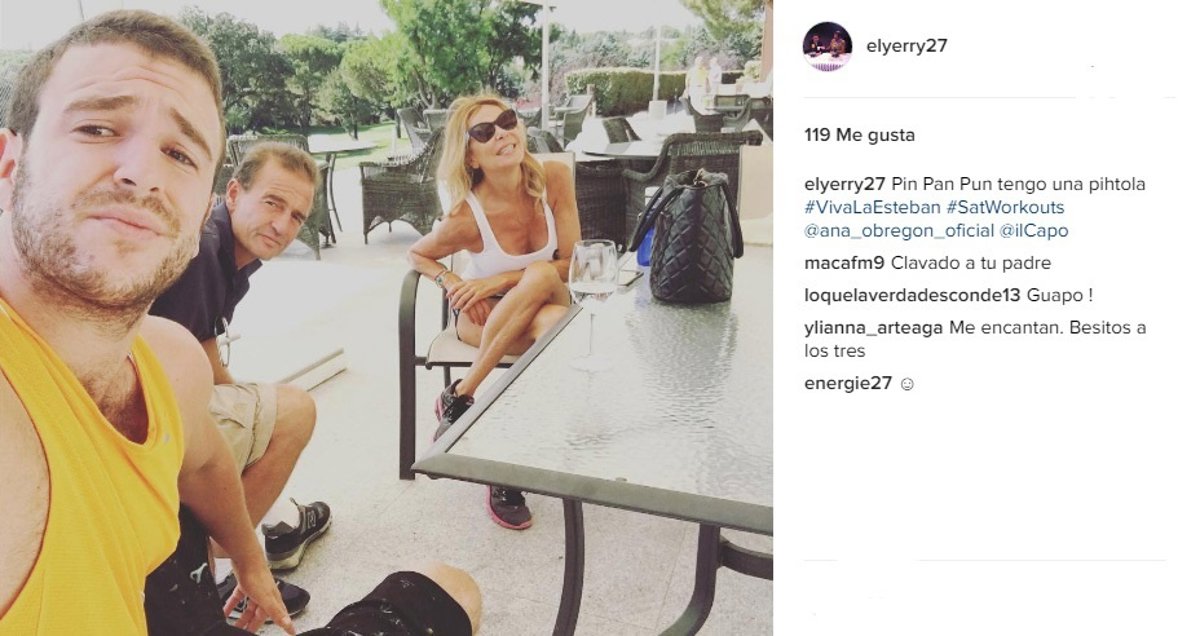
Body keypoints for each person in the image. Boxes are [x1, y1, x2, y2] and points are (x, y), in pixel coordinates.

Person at [0, 10, 480, 635]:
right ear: (9, 162)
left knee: (451, 587)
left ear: (203, 201)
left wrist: (251, 563)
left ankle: (257, 546)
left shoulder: (167, 360)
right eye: (96, 127)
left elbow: (203, 463)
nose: (143, 172)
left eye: (180, 153)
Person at [148, 141, 328, 616]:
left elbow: (202, 342)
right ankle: (221, 560)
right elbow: (170, 384)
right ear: (233, 193)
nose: (282, 225)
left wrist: (249, 408)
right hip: (148, 421)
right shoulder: (202, 252)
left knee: (265, 414)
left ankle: (259, 529)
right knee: (296, 411)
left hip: (161, 401)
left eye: (296, 216)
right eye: (272, 203)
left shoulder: (231, 252)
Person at [407, 94, 580, 530]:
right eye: (485, 131)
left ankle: (463, 396)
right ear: (471, 155)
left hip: (547, 297)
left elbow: (573, 263)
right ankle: (507, 459)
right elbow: (418, 254)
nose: (502, 133)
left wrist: (501, 279)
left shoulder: (555, 179)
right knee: (550, 322)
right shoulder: (467, 216)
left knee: (541, 276)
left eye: (507, 120)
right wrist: (453, 283)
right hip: (485, 318)